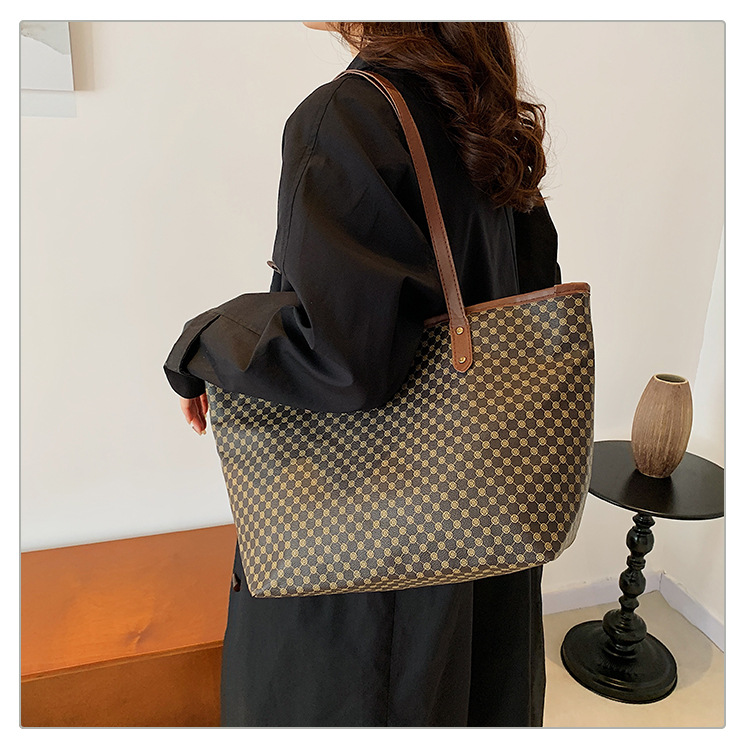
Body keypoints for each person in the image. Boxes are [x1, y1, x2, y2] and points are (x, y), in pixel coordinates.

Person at [164, 21, 561, 727]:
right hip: (485, 535)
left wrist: (205, 342)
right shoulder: (483, 109)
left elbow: (344, 363)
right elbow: (528, 310)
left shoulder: (346, 117)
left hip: (368, 565)